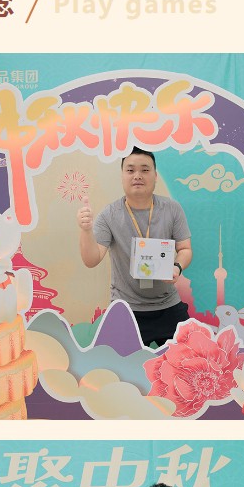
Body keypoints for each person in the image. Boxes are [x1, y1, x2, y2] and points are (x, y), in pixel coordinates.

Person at [78, 147, 193, 347]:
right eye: (130, 170)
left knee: (187, 358)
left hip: (168, 305)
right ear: (122, 175)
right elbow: (91, 260)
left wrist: (177, 267)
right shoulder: (109, 215)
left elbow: (185, 249)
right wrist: (86, 230)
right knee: (120, 365)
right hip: (126, 309)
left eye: (145, 170)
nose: (137, 176)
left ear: (155, 176)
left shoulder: (172, 209)